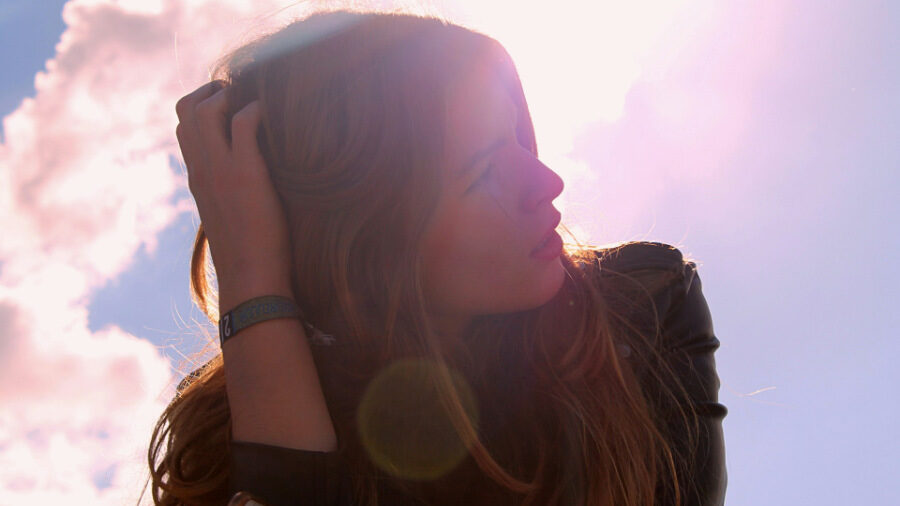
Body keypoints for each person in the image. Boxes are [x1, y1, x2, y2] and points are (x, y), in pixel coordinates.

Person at [146, 8, 727, 506]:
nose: (545, 181)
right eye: (479, 176)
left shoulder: (644, 306)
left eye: (517, 141)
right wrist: (252, 280)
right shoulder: (228, 420)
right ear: (361, 243)